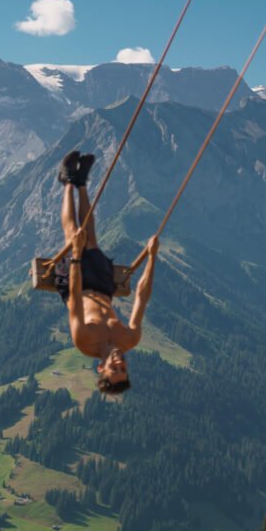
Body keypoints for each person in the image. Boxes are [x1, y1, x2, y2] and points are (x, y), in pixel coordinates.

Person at [53, 150, 159, 395]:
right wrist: (152, 257)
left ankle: (67, 181)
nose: (120, 364)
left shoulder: (84, 340)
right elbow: (142, 298)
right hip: (103, 287)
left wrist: (76, 255)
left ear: (101, 368)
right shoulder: (129, 338)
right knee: (92, 239)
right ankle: (81, 184)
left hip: (76, 285)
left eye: (115, 369)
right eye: (124, 369)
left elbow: (75, 300)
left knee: (74, 236)